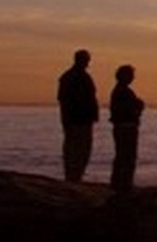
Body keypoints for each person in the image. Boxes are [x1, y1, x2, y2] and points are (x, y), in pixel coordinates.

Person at [57, 49, 99, 182]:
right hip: (76, 119)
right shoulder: (70, 77)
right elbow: (64, 98)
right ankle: (73, 176)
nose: (87, 63)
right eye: (86, 60)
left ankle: (76, 175)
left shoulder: (81, 76)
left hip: (82, 119)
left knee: (81, 149)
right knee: (75, 148)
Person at [109, 65, 146, 196]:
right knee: (127, 156)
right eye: (130, 75)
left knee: (122, 156)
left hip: (123, 126)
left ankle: (119, 183)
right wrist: (139, 107)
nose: (132, 78)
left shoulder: (120, 91)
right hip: (126, 127)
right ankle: (124, 184)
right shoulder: (123, 91)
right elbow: (129, 110)